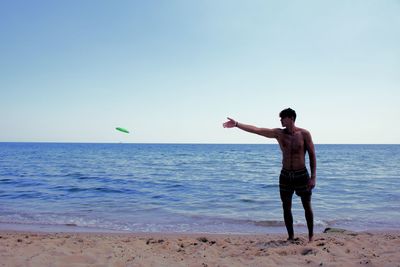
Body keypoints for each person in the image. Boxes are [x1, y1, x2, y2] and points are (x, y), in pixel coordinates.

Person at [223, 108, 316, 242]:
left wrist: (313, 177)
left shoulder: (304, 134)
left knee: (307, 205)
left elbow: (312, 155)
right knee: (286, 206)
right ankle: (291, 236)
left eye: (282, 118)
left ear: (290, 118)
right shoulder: (279, 133)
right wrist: (237, 124)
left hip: (301, 174)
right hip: (285, 175)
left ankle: (311, 236)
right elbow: (257, 130)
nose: (280, 121)